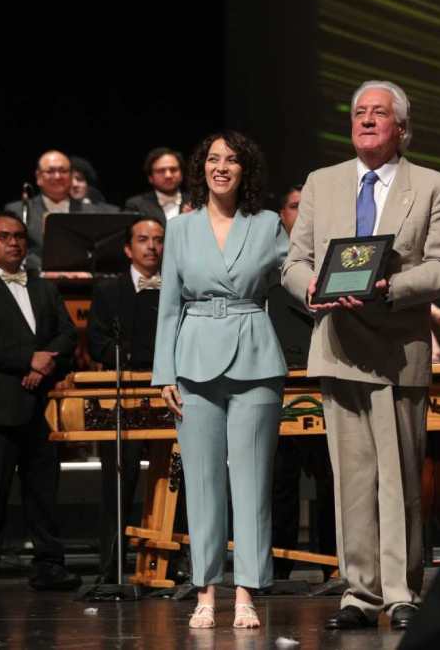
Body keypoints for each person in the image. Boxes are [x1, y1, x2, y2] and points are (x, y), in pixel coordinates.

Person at [282, 80, 440, 631]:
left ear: (401, 128)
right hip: (338, 345)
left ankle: (402, 591)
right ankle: (358, 594)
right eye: (359, 112)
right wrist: (309, 287)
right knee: (351, 479)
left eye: (378, 113)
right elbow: (295, 262)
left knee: (401, 478)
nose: (365, 120)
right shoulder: (323, 182)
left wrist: (390, 287)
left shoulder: (434, 186)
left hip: (396, 346)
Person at [152, 131, 287, 629]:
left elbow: (294, 277)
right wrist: (163, 371)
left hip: (255, 355)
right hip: (194, 358)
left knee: (251, 482)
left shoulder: (268, 224)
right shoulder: (182, 228)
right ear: (201, 168)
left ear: (244, 170)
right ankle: (206, 589)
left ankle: (247, 592)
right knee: (204, 483)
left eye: (231, 160)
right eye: (213, 159)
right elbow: (169, 304)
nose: (221, 167)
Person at [0, 211, 80, 595]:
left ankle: (49, 565)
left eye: (20, 236)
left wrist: (41, 367)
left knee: (43, 493)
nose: (14, 242)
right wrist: (31, 358)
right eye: (4, 236)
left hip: (41, 404)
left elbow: (67, 334)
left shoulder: (43, 287)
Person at [86, 217, 166, 583]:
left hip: (169, 389)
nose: (152, 246)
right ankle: (111, 566)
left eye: (159, 240)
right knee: (119, 478)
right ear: (128, 249)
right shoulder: (109, 290)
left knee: (174, 479)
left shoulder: (176, 287)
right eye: (143, 239)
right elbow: (97, 341)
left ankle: (173, 561)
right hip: (127, 391)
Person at [266, 184, 337, 580]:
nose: (302, 212)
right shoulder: (270, 264)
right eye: (295, 206)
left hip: (328, 378)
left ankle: (336, 566)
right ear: (282, 215)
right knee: (280, 482)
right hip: (282, 382)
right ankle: (278, 569)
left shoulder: (337, 259)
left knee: (333, 482)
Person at [5, 150, 93, 269]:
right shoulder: (18, 211)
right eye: (50, 171)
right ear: (38, 177)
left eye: (63, 171)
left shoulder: (89, 211)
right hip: (35, 281)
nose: (57, 176)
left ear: (71, 175)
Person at [125, 147, 189, 225]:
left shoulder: (197, 201)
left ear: (182, 173)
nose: (168, 175)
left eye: (173, 169)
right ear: (150, 177)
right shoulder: (136, 205)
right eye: (161, 171)